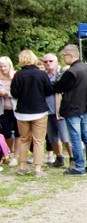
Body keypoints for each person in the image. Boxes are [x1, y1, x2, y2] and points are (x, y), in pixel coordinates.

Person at [52, 44, 87, 175]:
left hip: (73, 108)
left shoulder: (71, 71)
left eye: (63, 56)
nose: (63, 58)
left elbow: (58, 87)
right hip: (86, 107)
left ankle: (79, 166)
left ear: (70, 55)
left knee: (76, 138)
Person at [10, 49, 52, 177]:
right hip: (39, 111)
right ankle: (37, 169)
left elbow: (14, 93)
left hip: (22, 112)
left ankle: (22, 167)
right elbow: (49, 91)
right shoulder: (42, 74)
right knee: (39, 141)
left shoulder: (18, 75)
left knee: (24, 139)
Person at [0, 55, 18, 166]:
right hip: (3, 109)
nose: (2, 68)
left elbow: (19, 91)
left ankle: (16, 155)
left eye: (4, 66)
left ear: (9, 65)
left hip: (16, 108)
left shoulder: (16, 76)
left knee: (18, 133)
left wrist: (7, 93)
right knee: (6, 132)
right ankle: (10, 151)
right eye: (0, 66)